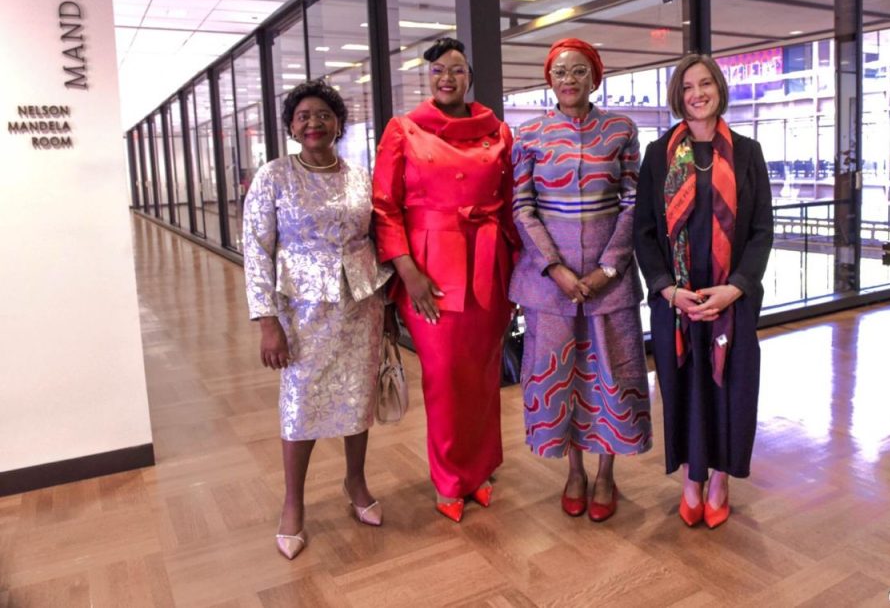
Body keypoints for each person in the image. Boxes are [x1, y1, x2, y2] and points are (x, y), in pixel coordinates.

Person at [243, 80, 393, 560]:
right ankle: (293, 503)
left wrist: (388, 307)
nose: (314, 123)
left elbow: (377, 239)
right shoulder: (274, 177)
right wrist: (267, 320)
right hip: (301, 311)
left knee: (357, 396)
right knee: (300, 403)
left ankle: (356, 482)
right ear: (291, 127)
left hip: (360, 305)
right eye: (303, 116)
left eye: (323, 115)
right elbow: (256, 251)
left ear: (338, 123)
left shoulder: (360, 177)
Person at [372, 37, 519, 523]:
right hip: (430, 269)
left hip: (489, 262)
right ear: (428, 78)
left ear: (469, 76)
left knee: (483, 372)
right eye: (437, 70)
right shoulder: (404, 129)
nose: (447, 78)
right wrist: (407, 271)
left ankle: (480, 470)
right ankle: (449, 478)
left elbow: (512, 204)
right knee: (443, 376)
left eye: (456, 69)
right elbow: (384, 207)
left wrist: (517, 272)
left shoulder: (497, 131)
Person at [509, 38, 652, 523]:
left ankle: (606, 473)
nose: (569, 79)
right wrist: (556, 268)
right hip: (549, 284)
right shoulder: (529, 134)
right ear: (549, 80)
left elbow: (634, 201)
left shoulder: (621, 129)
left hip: (610, 282)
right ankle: (574, 471)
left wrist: (608, 267)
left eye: (578, 71)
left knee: (612, 374)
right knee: (561, 376)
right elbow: (522, 207)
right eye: (560, 72)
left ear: (595, 77)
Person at [634, 54, 772, 529]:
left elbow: (762, 232)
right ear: (679, 95)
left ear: (719, 89)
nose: (697, 93)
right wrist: (667, 290)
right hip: (678, 302)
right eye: (688, 86)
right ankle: (692, 478)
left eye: (706, 83)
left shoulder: (748, 152)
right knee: (684, 389)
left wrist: (735, 288)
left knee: (730, 388)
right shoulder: (659, 154)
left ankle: (720, 479)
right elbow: (644, 232)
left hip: (731, 302)